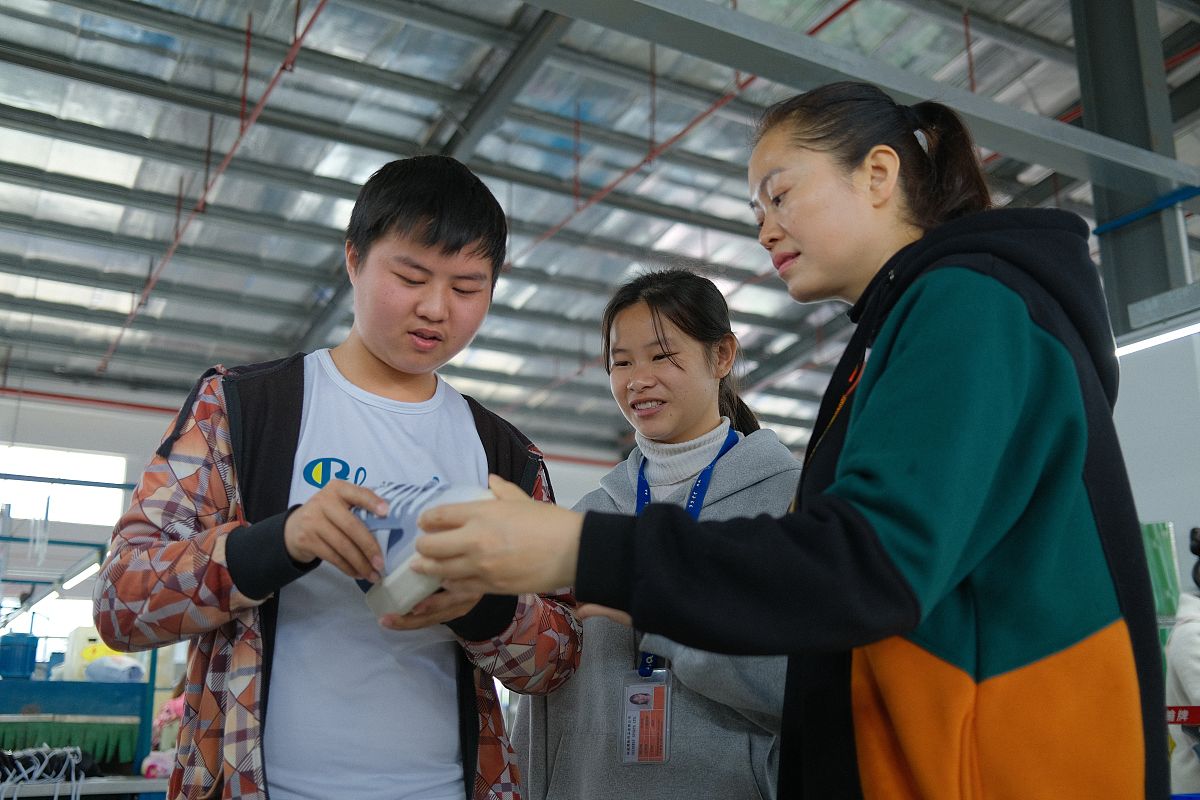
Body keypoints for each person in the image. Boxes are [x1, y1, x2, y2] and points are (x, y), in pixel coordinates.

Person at [411, 81, 1168, 799]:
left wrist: (583, 550)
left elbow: (866, 562)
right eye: (755, 209)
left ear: (877, 174)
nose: (765, 227)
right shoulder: (906, 328)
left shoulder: (966, 307)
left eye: (780, 193)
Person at [92, 155, 582, 800]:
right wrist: (281, 542)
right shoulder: (244, 409)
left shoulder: (503, 455)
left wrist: (484, 604)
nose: (436, 309)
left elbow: (559, 660)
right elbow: (123, 603)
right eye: (410, 276)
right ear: (354, 259)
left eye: (467, 288)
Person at [512, 270, 800, 800]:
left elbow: (800, 686)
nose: (638, 379)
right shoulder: (591, 517)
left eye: (662, 355)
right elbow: (543, 702)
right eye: (622, 361)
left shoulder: (788, 508)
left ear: (722, 356)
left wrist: (660, 609)